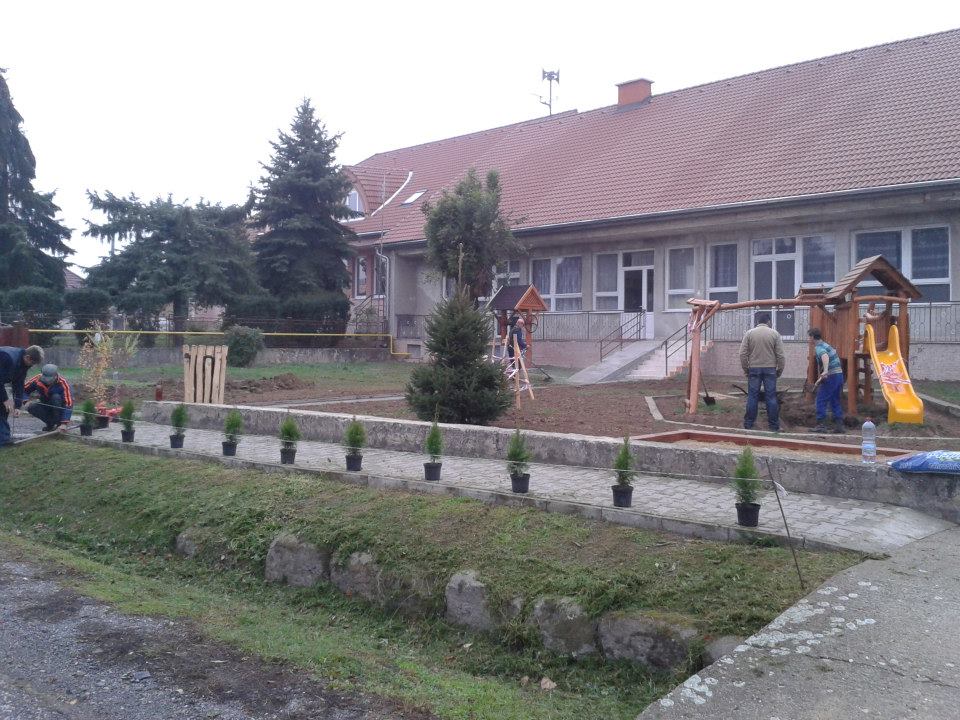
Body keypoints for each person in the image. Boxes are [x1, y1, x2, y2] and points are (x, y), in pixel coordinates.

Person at [739, 312, 785, 432]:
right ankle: (774, 426)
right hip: (770, 369)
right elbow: (781, 355)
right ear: (768, 322)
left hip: (754, 369)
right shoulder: (774, 334)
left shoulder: (749, 333)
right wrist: (779, 370)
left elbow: (742, 354)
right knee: (771, 397)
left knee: (752, 396)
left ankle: (748, 424)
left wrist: (746, 369)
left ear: (757, 322)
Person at [0, 345, 45, 446]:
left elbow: (19, 384)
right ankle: (3, 440)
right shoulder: (7, 357)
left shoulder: (23, 364)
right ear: (28, 357)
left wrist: (17, 405)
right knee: (2, 406)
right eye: (33, 363)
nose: (32, 366)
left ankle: (3, 440)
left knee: (4, 408)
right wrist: (5, 399)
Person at [808, 328, 844, 433]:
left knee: (821, 399)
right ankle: (839, 426)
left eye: (809, 337)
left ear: (813, 337)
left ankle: (821, 425)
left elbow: (825, 356)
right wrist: (820, 379)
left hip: (831, 376)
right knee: (835, 400)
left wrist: (826, 371)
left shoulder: (819, 348)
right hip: (839, 375)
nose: (809, 340)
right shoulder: (826, 345)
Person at [24, 363, 74, 431]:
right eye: (45, 379)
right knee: (31, 407)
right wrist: (25, 401)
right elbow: (24, 389)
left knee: (55, 397)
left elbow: (68, 403)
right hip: (45, 404)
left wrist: (64, 423)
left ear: (55, 376)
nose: (47, 382)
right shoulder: (37, 379)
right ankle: (50, 424)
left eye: (49, 380)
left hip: (59, 407)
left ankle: (59, 424)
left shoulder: (63, 383)